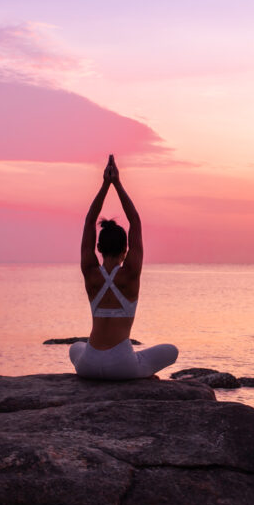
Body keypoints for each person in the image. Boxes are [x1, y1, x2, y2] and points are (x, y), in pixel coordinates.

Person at [69, 155, 178, 379]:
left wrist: (104, 185)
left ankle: (116, 366)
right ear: (125, 250)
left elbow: (90, 222)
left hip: (88, 365)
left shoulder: (90, 272)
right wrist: (117, 183)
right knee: (172, 351)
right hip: (122, 366)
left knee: (76, 347)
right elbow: (135, 221)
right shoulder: (130, 274)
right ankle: (142, 372)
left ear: (98, 247)